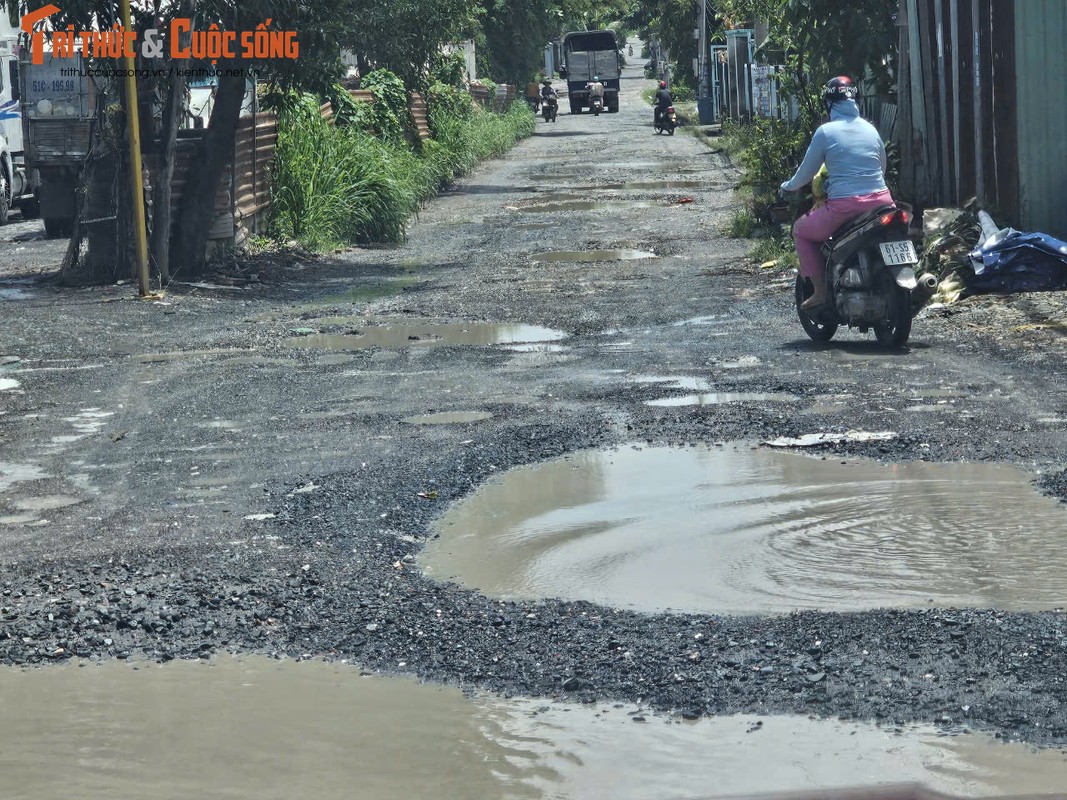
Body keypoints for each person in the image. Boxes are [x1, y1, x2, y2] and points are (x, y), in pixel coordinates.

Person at [780, 75, 894, 310]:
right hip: (883, 202)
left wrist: (788, 186)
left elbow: (806, 173)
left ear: (829, 104)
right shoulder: (871, 129)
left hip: (845, 206)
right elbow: (881, 167)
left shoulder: (825, 132)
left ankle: (820, 292)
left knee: (801, 231)